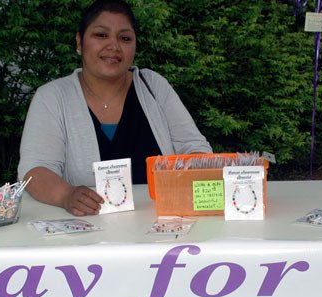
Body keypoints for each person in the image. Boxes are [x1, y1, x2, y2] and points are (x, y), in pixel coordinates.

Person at [18, 0, 212, 216]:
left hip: (162, 229)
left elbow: (195, 149)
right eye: (101, 35)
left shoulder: (154, 86)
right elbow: (34, 170)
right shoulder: (53, 96)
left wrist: (190, 182)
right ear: (79, 42)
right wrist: (66, 195)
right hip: (88, 233)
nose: (114, 46)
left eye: (125, 38)